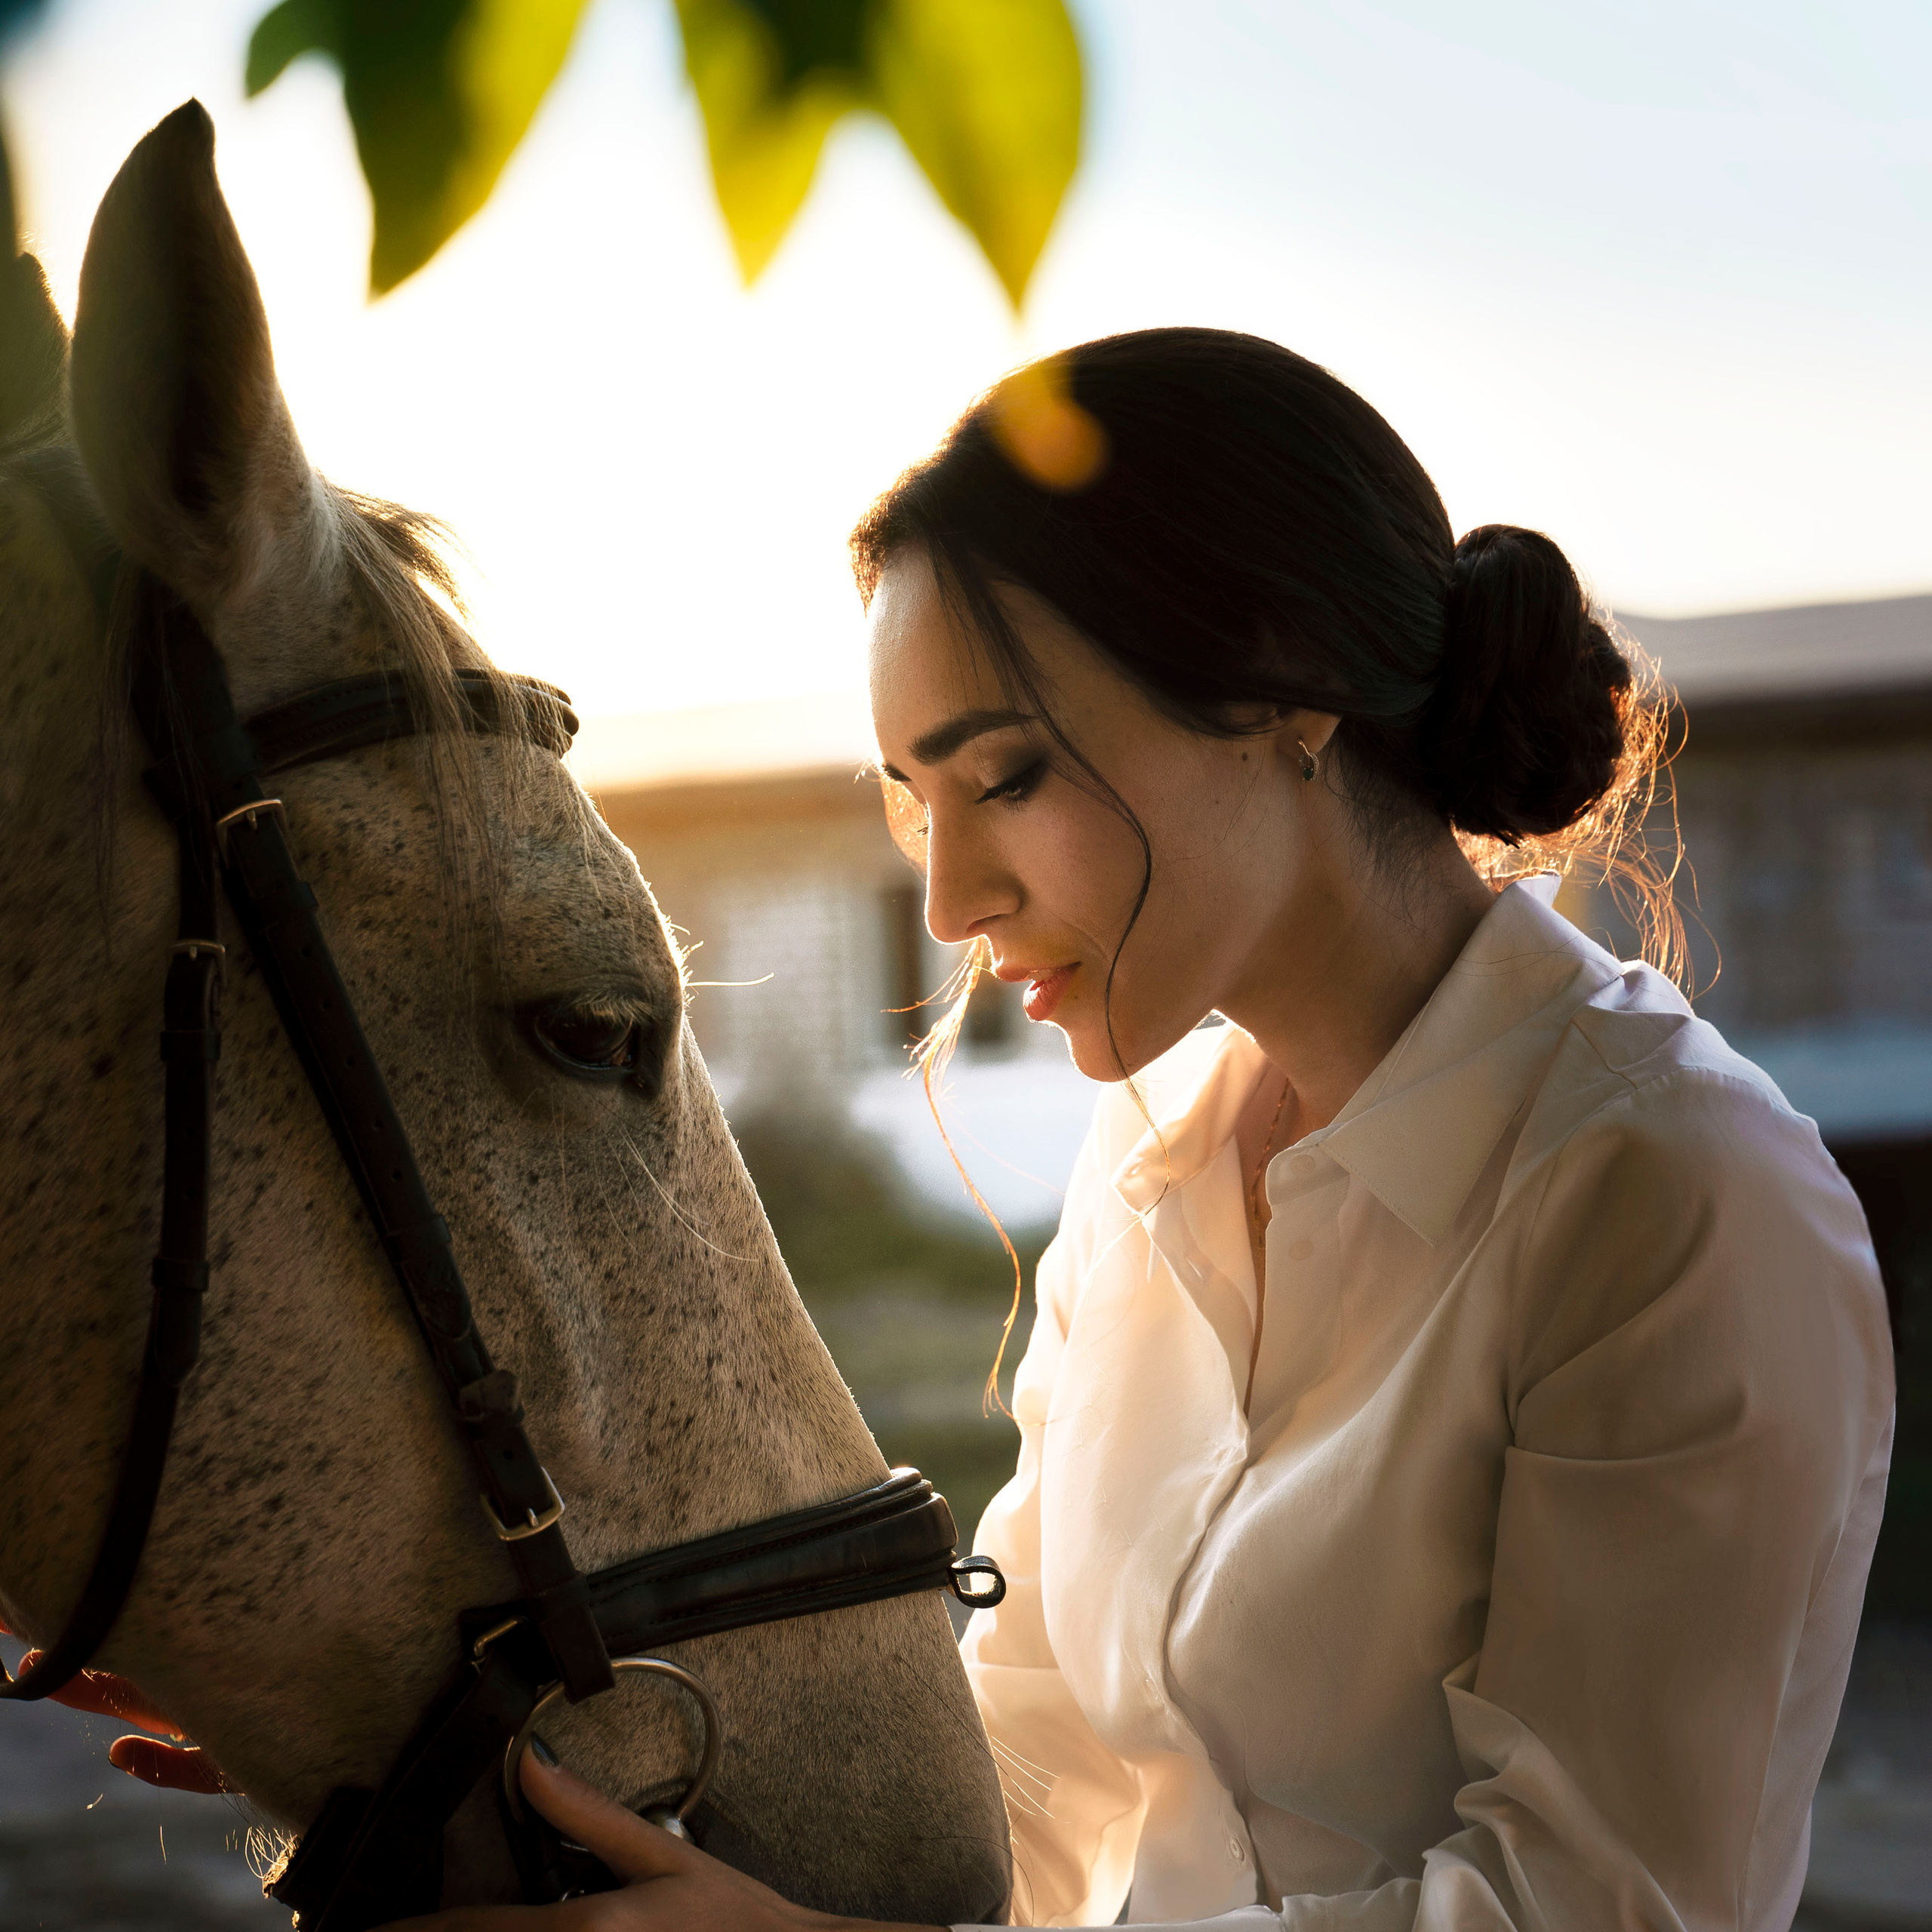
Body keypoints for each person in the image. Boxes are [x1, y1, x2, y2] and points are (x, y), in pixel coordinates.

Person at [72, 328, 1895, 1930]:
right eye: (909, 799)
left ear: (1276, 696)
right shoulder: (1153, 1155)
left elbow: (1594, 1911)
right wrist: (443, 1712)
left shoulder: (1676, 1197)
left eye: (1004, 774)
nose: (943, 897)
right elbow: (1014, 1797)